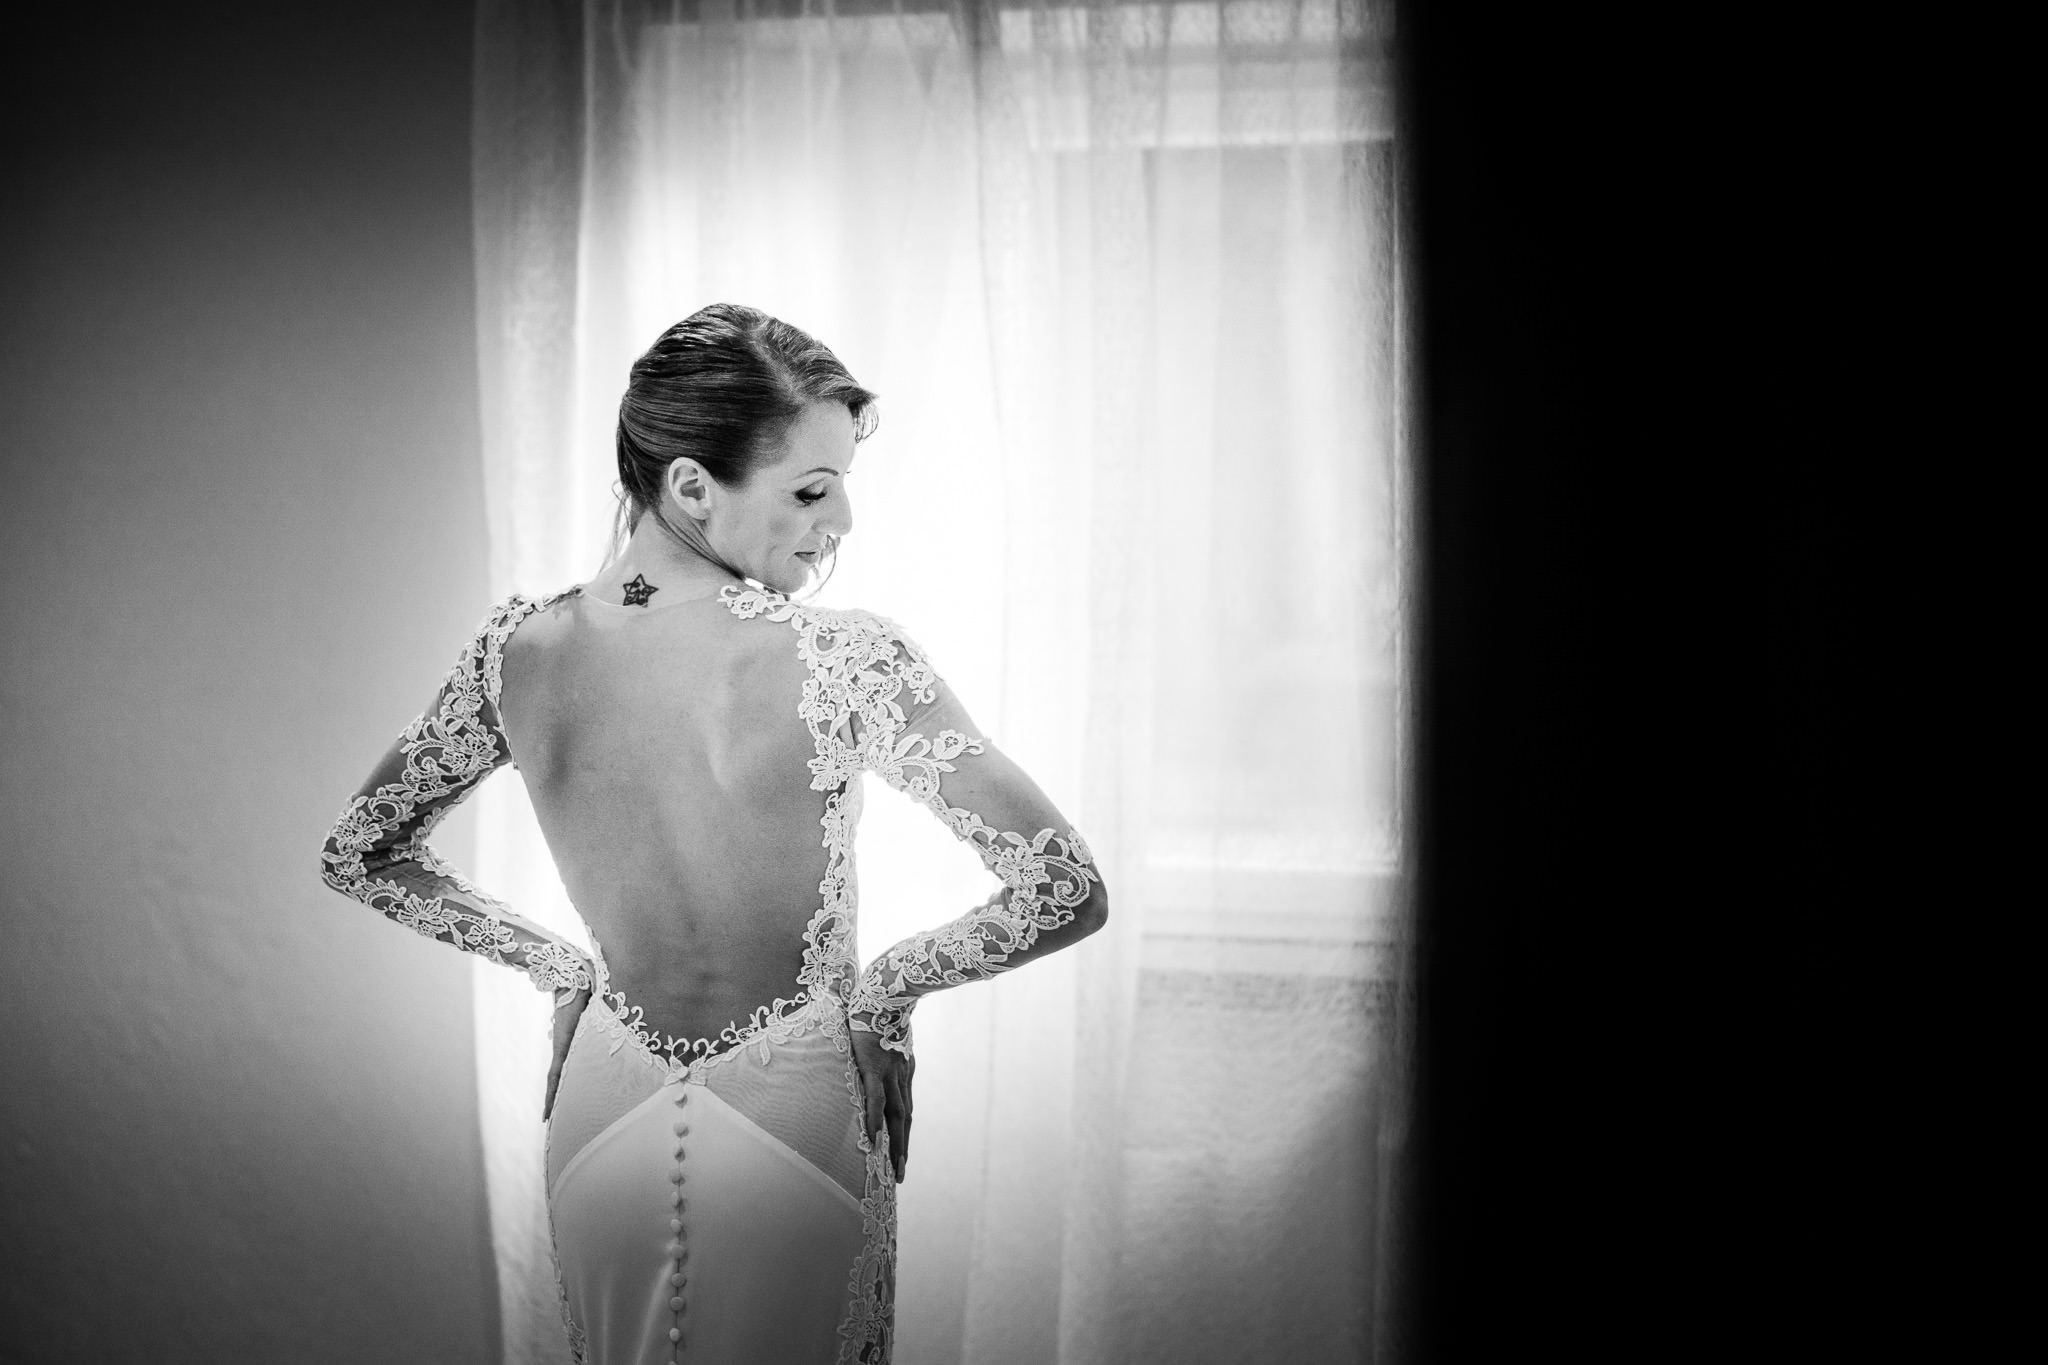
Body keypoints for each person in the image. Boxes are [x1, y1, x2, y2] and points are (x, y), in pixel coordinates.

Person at [318, 302, 1108, 1364]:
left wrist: (560, 969)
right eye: (811, 491)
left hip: (602, 1112)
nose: (841, 521)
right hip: (795, 1110)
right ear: (691, 486)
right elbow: (1065, 890)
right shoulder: (847, 658)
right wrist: (884, 995)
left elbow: (361, 853)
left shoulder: (516, 651)